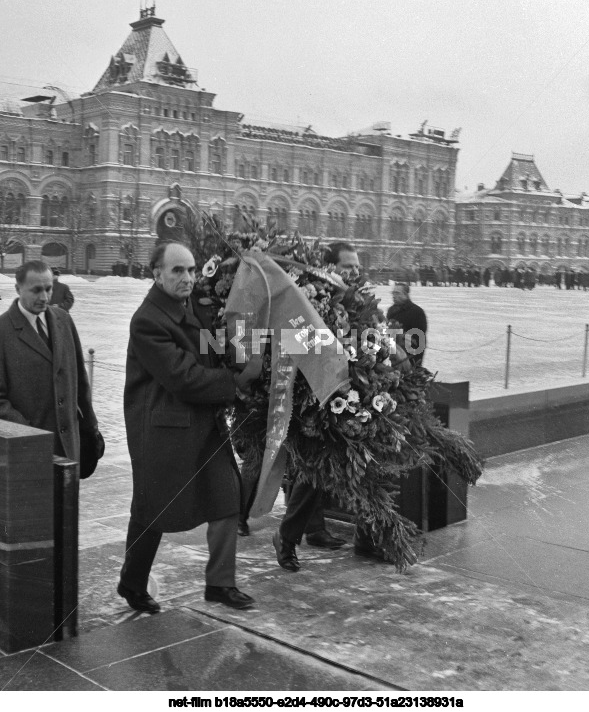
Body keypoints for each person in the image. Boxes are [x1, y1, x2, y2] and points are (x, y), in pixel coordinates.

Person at [118, 242, 261, 614]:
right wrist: (234, 382)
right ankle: (132, 583)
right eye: (177, 271)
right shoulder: (147, 320)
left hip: (203, 424)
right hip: (164, 430)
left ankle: (220, 583)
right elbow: (182, 376)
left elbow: (209, 349)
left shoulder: (193, 308)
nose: (187, 278)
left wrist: (249, 349)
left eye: (192, 270)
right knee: (152, 509)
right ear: (156, 273)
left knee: (226, 498)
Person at [272, 241, 374, 572]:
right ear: (328, 269)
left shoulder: (355, 301)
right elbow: (295, 341)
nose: (355, 273)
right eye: (348, 267)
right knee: (314, 470)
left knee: (321, 473)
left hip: (347, 393)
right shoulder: (311, 299)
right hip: (313, 397)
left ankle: (305, 532)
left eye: (357, 267)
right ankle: (288, 538)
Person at [0, 260, 99, 465]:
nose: (44, 297)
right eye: (36, 290)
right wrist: (29, 434)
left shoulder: (63, 320)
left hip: (69, 450)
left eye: (48, 289)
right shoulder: (2, 330)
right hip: (26, 454)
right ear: (18, 288)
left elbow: (80, 382)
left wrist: (91, 430)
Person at [386, 282, 428, 364]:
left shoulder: (416, 311)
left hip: (411, 353)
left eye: (397, 293)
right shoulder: (391, 310)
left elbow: (419, 336)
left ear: (406, 294)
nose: (394, 296)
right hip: (393, 352)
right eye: (393, 293)